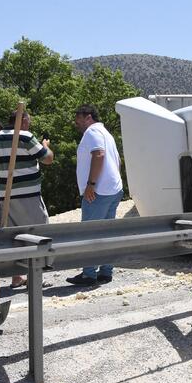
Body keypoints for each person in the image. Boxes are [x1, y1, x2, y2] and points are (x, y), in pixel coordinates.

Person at [0, 110, 53, 288]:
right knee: (38, 233)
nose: (29, 124)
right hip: (28, 195)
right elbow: (47, 159)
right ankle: (35, 277)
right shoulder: (25, 136)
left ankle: (16, 277)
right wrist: (46, 146)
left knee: (13, 237)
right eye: (28, 121)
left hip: (5, 196)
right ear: (22, 121)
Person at [66, 104, 124, 286]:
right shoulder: (106, 133)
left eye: (79, 119)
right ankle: (106, 271)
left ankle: (89, 274)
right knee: (107, 233)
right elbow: (118, 160)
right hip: (113, 189)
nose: (77, 123)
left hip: (99, 191)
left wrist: (91, 184)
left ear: (88, 117)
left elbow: (98, 155)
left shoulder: (91, 132)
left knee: (89, 233)